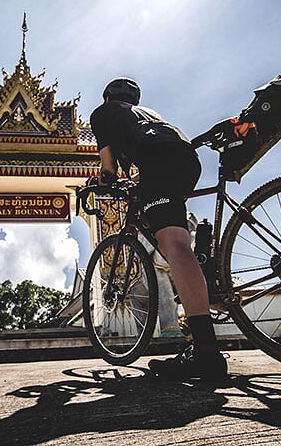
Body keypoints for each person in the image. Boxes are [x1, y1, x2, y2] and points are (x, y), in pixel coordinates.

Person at [89, 77, 228, 381]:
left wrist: (101, 181)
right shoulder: (146, 113)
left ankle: (206, 352)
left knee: (173, 244)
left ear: (106, 98)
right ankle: (209, 285)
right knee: (176, 237)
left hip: (157, 158)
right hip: (185, 158)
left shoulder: (103, 114)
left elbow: (108, 169)